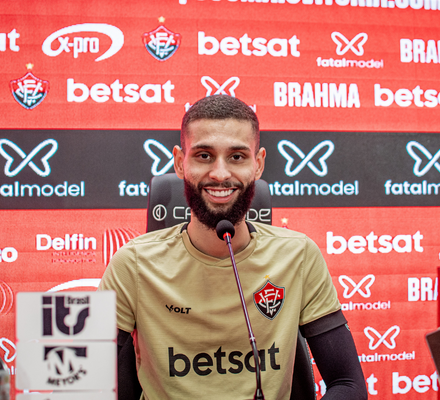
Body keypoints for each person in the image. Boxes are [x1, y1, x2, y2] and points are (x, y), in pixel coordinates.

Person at [99, 95, 367, 400]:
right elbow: (89, 384)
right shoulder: (132, 264)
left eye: (237, 157)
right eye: (203, 156)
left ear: (258, 164)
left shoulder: (299, 255)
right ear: (179, 162)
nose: (220, 174)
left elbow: (348, 384)